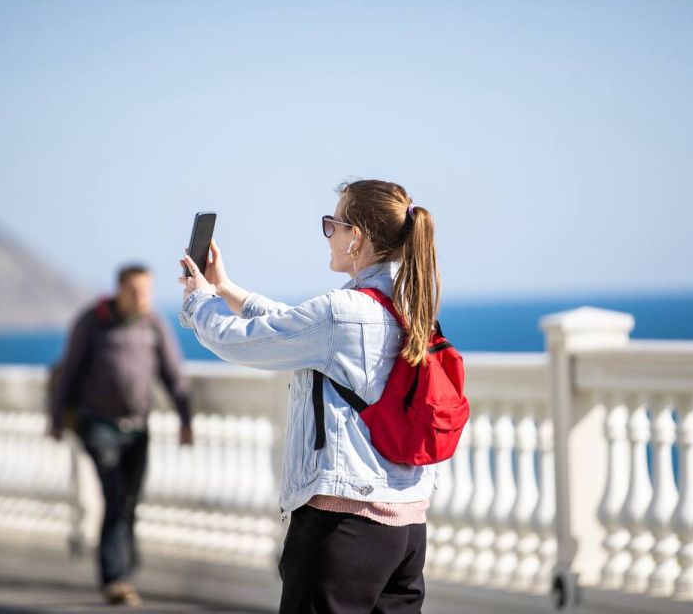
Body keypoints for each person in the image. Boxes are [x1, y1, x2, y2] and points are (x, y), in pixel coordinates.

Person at [178, 180, 440, 613]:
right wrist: (226, 290)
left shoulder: (342, 313)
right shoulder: (412, 305)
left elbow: (240, 341)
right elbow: (298, 326)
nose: (328, 235)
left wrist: (198, 300)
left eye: (331, 224)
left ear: (356, 237)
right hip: (406, 529)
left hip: (343, 527)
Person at [48, 264, 193, 606]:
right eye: (134, 290)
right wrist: (55, 418)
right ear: (119, 290)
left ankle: (125, 566)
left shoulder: (153, 323)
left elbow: (174, 375)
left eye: (146, 290)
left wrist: (186, 421)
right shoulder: (93, 321)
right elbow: (68, 372)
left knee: (130, 499)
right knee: (115, 495)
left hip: (138, 427)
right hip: (98, 424)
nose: (141, 297)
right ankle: (114, 577)